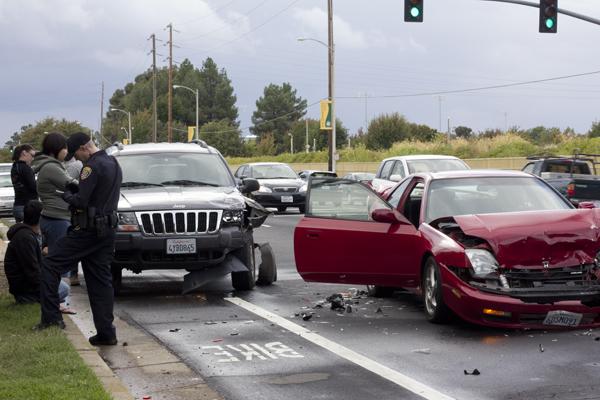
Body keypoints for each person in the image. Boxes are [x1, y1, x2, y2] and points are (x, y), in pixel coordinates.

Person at [38, 133, 122, 346]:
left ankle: (51, 320)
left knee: (50, 264)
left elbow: (81, 201)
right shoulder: (113, 161)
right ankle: (106, 333)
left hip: (87, 231)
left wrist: (65, 196)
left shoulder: (90, 167)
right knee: (100, 281)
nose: (78, 159)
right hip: (107, 230)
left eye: (78, 154)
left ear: (85, 148)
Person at [3, 200, 70, 312]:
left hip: (28, 285)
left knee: (60, 284)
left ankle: (54, 300)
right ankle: (47, 302)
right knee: (64, 289)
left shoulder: (31, 234)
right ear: (40, 218)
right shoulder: (25, 238)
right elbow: (32, 272)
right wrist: (50, 298)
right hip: (25, 291)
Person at [32, 133, 79, 285]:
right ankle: (61, 301)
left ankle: (58, 299)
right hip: (57, 218)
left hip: (55, 217)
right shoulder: (51, 167)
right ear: (55, 149)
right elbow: (72, 184)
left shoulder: (50, 164)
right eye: (64, 148)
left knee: (55, 258)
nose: (66, 151)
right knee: (61, 261)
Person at [10, 144, 38, 222]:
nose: (33, 158)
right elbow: (34, 187)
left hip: (17, 206)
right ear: (24, 153)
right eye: (32, 155)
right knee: (32, 232)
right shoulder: (25, 168)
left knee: (21, 233)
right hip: (27, 207)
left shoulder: (15, 166)